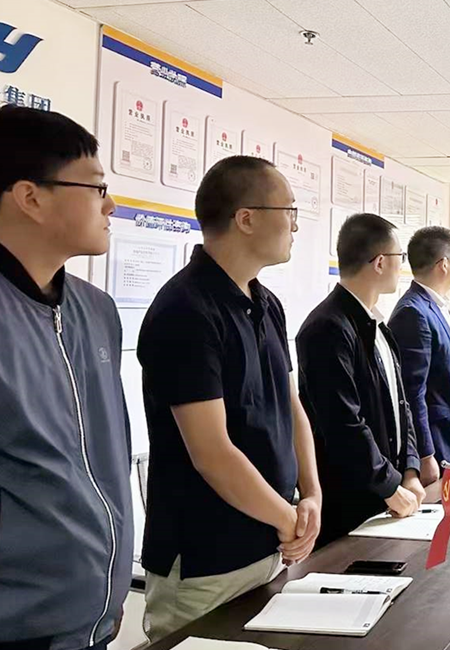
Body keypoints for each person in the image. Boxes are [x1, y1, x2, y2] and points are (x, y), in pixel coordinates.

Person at [137, 156, 322, 641]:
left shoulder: (266, 302)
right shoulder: (186, 309)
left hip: (269, 544)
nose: (295, 225)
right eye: (289, 210)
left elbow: (290, 405)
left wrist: (312, 495)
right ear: (246, 218)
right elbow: (212, 453)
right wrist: (290, 519)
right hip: (207, 558)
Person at [0, 106, 133, 650]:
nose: (111, 205)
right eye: (97, 188)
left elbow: (108, 458)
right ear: (30, 197)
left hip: (95, 619)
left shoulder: (96, 310)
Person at [297, 213, 425, 547]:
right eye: (400, 257)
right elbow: (343, 423)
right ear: (380, 262)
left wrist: (410, 470)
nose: (402, 266)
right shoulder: (327, 327)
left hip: (388, 496)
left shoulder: (377, 324)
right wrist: (389, 485)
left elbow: (401, 406)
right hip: (351, 503)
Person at [388, 226, 450, 476]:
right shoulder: (413, 312)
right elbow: (413, 392)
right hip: (437, 446)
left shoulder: (439, 306)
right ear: (444, 264)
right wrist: (425, 454)